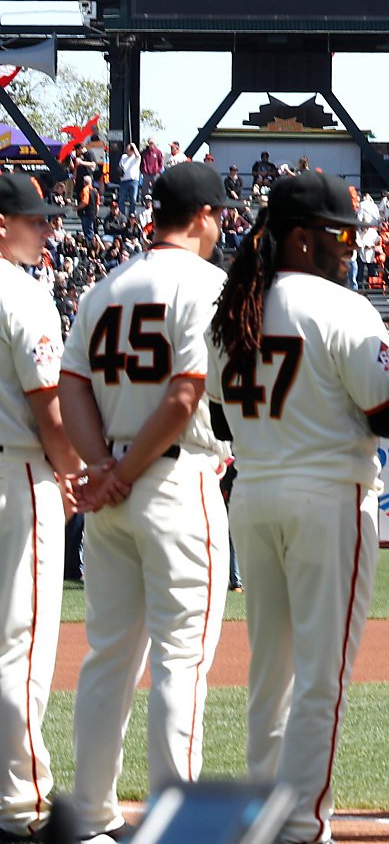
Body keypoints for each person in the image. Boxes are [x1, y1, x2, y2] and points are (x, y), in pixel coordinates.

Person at [206, 171, 389, 843]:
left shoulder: (235, 305)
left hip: (257, 490)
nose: (351, 248)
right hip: (328, 494)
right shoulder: (341, 307)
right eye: (339, 235)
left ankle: (262, 813)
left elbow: (221, 417)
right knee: (322, 675)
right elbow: (388, 417)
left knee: (270, 670)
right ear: (301, 238)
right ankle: (300, 825)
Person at [58, 163, 241, 841]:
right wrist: (124, 469)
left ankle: (90, 817)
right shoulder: (206, 284)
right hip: (172, 477)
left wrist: (100, 469)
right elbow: (187, 393)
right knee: (180, 662)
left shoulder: (106, 286)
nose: (221, 225)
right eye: (218, 214)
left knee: (107, 656)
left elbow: (71, 384)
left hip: (111, 486)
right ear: (200, 216)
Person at [0, 174, 81, 844]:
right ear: (2, 224)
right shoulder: (22, 294)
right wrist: (73, 469)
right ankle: (22, 805)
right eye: (35, 219)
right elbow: (47, 405)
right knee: (20, 643)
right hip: (16, 470)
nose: (48, 229)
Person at [117, 143, 142, 218]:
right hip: (124, 180)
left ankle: (132, 214)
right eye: (126, 150)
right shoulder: (123, 156)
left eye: (129, 150)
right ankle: (122, 215)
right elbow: (120, 166)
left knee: (133, 199)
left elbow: (138, 155)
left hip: (133, 180)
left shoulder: (136, 158)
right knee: (121, 199)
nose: (127, 151)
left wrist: (134, 146)